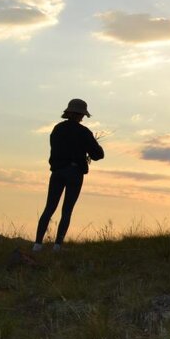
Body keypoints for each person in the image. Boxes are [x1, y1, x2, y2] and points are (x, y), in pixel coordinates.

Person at [33, 98, 104, 251]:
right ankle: (57, 246)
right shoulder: (84, 132)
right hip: (75, 174)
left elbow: (55, 150)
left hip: (57, 172)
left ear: (67, 113)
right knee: (67, 210)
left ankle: (37, 245)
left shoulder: (57, 129)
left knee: (49, 207)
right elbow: (98, 155)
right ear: (80, 115)